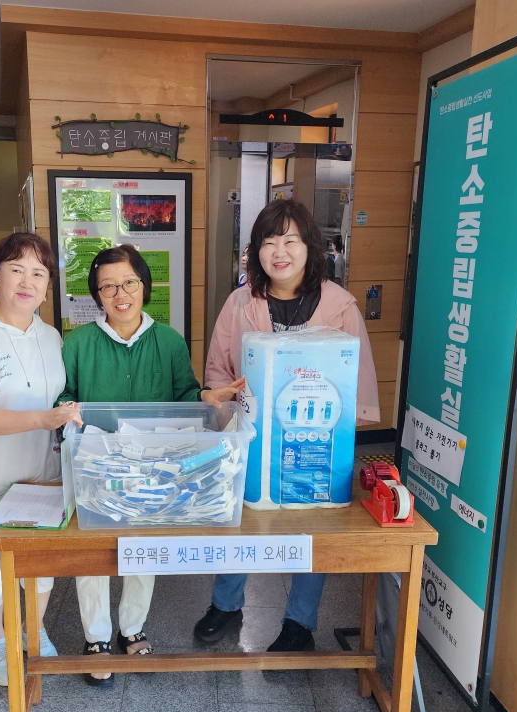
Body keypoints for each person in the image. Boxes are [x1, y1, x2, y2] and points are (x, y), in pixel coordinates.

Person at [192, 199, 380, 652]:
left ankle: (299, 622)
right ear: (255, 250)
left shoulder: (340, 306)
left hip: (314, 436)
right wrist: (225, 411)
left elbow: (358, 378)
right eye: (269, 241)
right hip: (252, 435)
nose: (279, 251)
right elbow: (217, 369)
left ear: (310, 246)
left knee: (312, 524)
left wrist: (343, 433)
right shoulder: (240, 303)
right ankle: (226, 605)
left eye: (290, 240)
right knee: (240, 516)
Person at [59, 244, 243, 685]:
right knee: (92, 548)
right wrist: (67, 411)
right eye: (108, 286)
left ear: (144, 286)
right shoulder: (77, 343)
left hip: (155, 468)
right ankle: (96, 637)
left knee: (143, 545)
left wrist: (205, 398)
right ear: (97, 295)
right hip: (96, 465)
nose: (120, 294)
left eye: (129, 283)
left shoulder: (169, 341)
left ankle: (132, 628)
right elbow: (63, 395)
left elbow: (185, 397)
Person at [0, 232, 82, 686]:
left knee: (39, 563)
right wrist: (44, 420)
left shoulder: (50, 336)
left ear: (48, 285)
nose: (28, 282)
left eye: (38, 273)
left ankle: (33, 629)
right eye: (17, 270)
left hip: (43, 475)